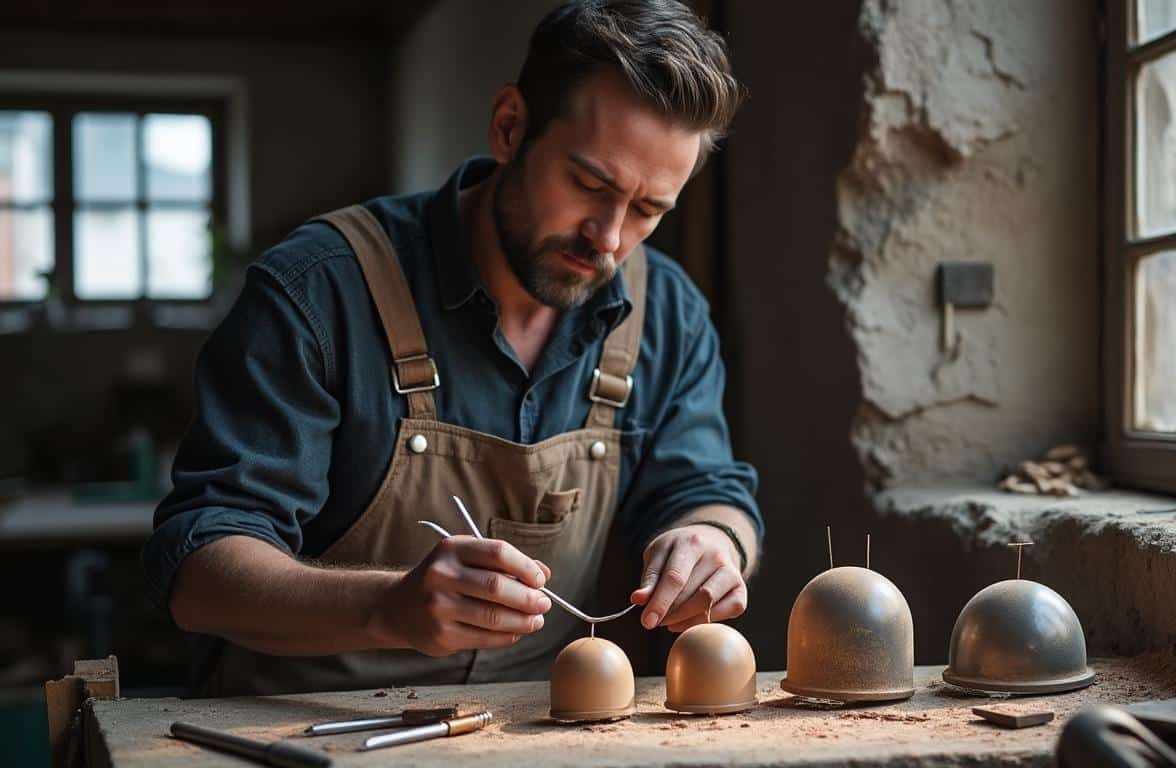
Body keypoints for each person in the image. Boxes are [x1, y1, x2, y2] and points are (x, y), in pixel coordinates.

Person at [142, 0, 763, 696]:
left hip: (529, 728)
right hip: (296, 725)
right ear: (509, 127)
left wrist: (714, 541)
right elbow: (197, 573)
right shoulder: (318, 290)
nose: (610, 238)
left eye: (649, 209)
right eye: (590, 184)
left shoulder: (666, 311)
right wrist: (385, 608)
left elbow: (707, 490)